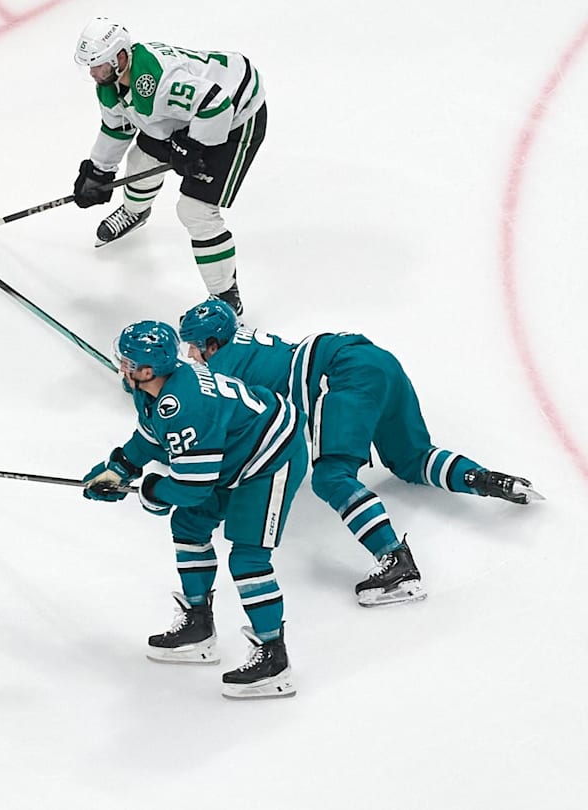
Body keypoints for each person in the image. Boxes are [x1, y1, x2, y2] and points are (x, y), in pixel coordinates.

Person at [177, 298, 542, 606]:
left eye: (192, 346)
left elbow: (215, 431)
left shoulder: (222, 368)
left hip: (342, 374)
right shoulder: (240, 344)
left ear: (211, 343)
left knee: (330, 477)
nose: (190, 355)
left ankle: (396, 564)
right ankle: (484, 479)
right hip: (374, 359)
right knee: (412, 459)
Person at [82, 321, 306, 699]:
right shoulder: (156, 389)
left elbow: (192, 486)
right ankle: (197, 625)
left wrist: (150, 491)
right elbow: (152, 437)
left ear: (147, 371)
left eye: (126, 362)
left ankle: (273, 659)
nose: (121, 367)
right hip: (232, 456)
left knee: (248, 558)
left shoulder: (184, 405)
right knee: (188, 525)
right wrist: (120, 467)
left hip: (271, 459)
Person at [70, 19, 267, 316]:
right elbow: (119, 127)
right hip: (193, 112)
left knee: (196, 211)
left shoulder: (161, 81)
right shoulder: (113, 84)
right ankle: (135, 213)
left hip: (236, 114)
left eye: (99, 66)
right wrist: (99, 171)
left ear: (120, 58)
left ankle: (226, 297)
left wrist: (192, 144)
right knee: (140, 159)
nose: (93, 73)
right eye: (90, 66)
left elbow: (216, 105)